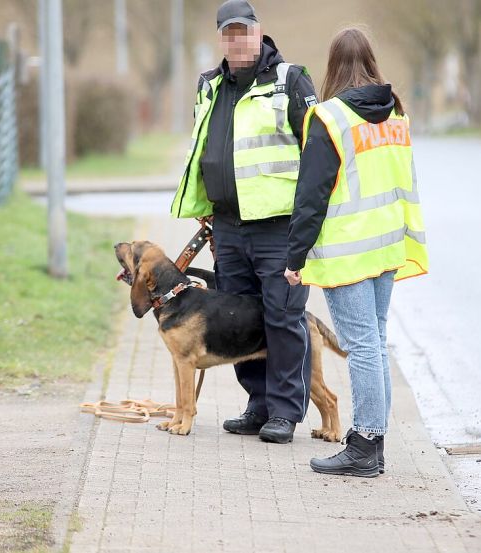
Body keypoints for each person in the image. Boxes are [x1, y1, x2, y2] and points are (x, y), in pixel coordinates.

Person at [170, 0, 319, 443]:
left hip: (278, 226)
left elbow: (317, 152)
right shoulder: (209, 85)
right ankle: (258, 405)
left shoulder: (290, 80)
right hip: (228, 227)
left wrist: (310, 222)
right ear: (222, 38)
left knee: (283, 317)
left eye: (245, 31)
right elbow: (203, 147)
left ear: (259, 32)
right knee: (237, 318)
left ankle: (286, 413)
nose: (238, 40)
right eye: (229, 33)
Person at [285, 27, 429, 476]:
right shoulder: (394, 113)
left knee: (363, 346)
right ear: (371, 61)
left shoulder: (330, 117)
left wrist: (295, 257)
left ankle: (364, 444)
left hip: (349, 252)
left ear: (333, 66)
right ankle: (374, 443)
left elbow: (311, 196)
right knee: (375, 345)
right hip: (386, 245)